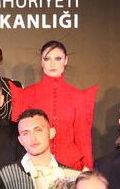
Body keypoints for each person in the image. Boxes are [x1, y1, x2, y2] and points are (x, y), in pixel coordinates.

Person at [10, 41, 97, 170]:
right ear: (41, 62)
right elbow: (19, 137)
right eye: (47, 59)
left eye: (58, 58)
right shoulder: (26, 95)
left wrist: (87, 168)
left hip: (71, 166)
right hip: (35, 166)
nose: (52, 64)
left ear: (65, 60)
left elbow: (83, 138)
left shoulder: (78, 97)